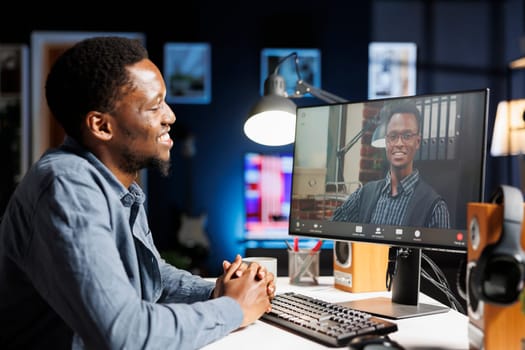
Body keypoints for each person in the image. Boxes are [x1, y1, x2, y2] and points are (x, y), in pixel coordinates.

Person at [0, 36, 275, 350]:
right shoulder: (68, 187)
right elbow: (125, 335)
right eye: (155, 106)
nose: (170, 116)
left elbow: (150, 274)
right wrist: (234, 308)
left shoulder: (116, 183)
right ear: (101, 126)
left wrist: (222, 290)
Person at [331, 101, 450, 228]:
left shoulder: (435, 208)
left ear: (418, 142)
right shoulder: (364, 194)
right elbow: (330, 229)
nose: (399, 143)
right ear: (387, 142)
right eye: (393, 136)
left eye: (407, 135)